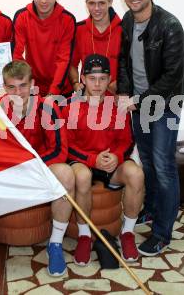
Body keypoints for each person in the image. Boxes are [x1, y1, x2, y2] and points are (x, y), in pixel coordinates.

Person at [117, 0, 184, 256]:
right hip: (137, 102)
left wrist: (139, 99)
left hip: (165, 103)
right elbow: (123, 60)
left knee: (163, 165)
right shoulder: (127, 20)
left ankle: (162, 232)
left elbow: (172, 75)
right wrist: (124, 92)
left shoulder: (170, 25)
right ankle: (155, 209)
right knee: (147, 161)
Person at [62, 54, 144, 264]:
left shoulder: (117, 105)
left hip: (111, 163)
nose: (97, 84)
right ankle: (84, 235)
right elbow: (67, 146)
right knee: (80, 176)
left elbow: (127, 140)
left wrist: (117, 157)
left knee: (135, 174)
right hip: (84, 162)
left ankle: (127, 233)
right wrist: (91, 159)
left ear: (109, 80)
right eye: (91, 78)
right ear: (83, 78)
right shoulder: (71, 105)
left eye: (102, 78)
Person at [0, 60, 75, 276]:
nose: (18, 92)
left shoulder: (47, 108)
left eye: (23, 85)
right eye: (12, 87)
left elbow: (60, 150)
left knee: (66, 173)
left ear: (32, 84)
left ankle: (56, 243)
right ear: (5, 88)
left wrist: (32, 166)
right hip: (11, 171)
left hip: (40, 170)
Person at [12, 0, 76, 97]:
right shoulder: (21, 17)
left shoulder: (68, 20)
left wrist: (53, 93)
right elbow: (17, 55)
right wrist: (27, 85)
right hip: (33, 88)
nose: (44, 0)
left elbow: (64, 60)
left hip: (61, 90)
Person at [69, 0, 122, 94]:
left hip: (116, 97)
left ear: (110, 2)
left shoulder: (124, 29)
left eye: (102, 3)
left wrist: (121, 84)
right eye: (92, 3)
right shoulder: (78, 29)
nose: (96, 8)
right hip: (87, 97)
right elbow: (72, 64)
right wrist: (75, 83)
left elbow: (133, 66)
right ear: (86, 3)